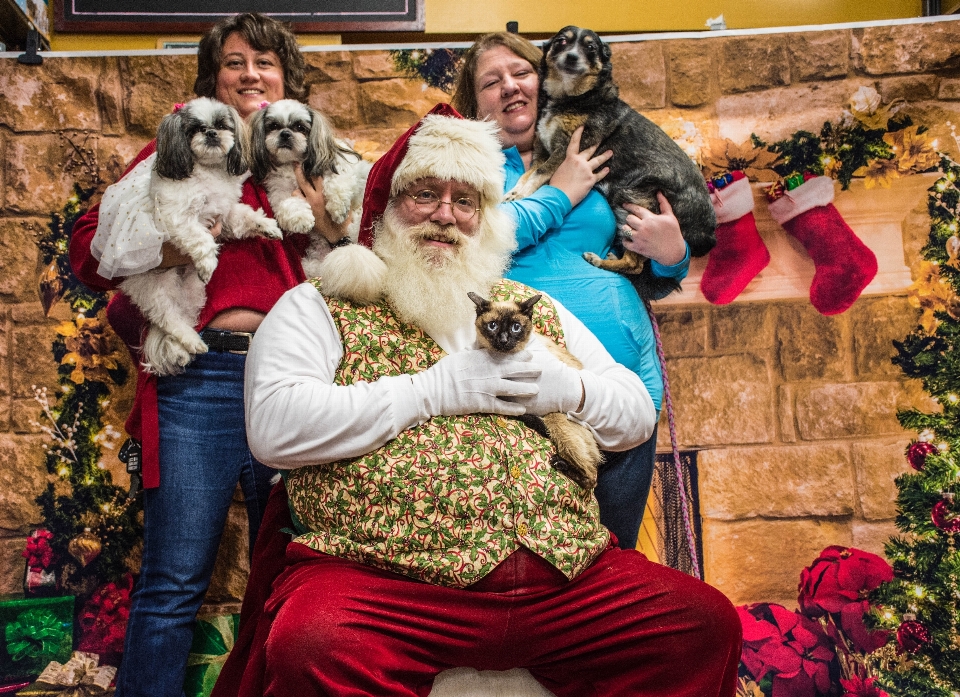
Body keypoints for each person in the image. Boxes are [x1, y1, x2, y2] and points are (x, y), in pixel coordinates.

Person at [232, 105, 741, 696]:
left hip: (565, 579)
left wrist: (567, 388)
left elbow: (633, 411)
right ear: (385, 210)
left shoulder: (528, 305)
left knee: (701, 626)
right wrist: (427, 392)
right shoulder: (317, 306)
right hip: (387, 584)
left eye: (466, 200)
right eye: (425, 194)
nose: (446, 215)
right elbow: (273, 429)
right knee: (314, 642)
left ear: (485, 218)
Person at [68, 13, 349, 697]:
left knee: (299, 574)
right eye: (234, 62)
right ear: (212, 79)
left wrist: (328, 212)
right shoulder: (179, 148)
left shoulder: (314, 152)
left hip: (296, 379)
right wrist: (180, 236)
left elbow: (371, 253)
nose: (250, 74)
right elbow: (88, 250)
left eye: (265, 62)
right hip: (201, 378)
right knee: (173, 580)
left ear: (287, 78)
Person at [450, 32, 691, 550]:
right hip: (528, 395)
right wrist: (560, 191)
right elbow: (481, 236)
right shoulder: (469, 169)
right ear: (475, 104)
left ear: (548, 78)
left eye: (521, 73)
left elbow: (648, 261)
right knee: (542, 564)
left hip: (627, 388)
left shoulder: (592, 145)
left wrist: (672, 254)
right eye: (491, 82)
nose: (510, 87)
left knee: (618, 561)